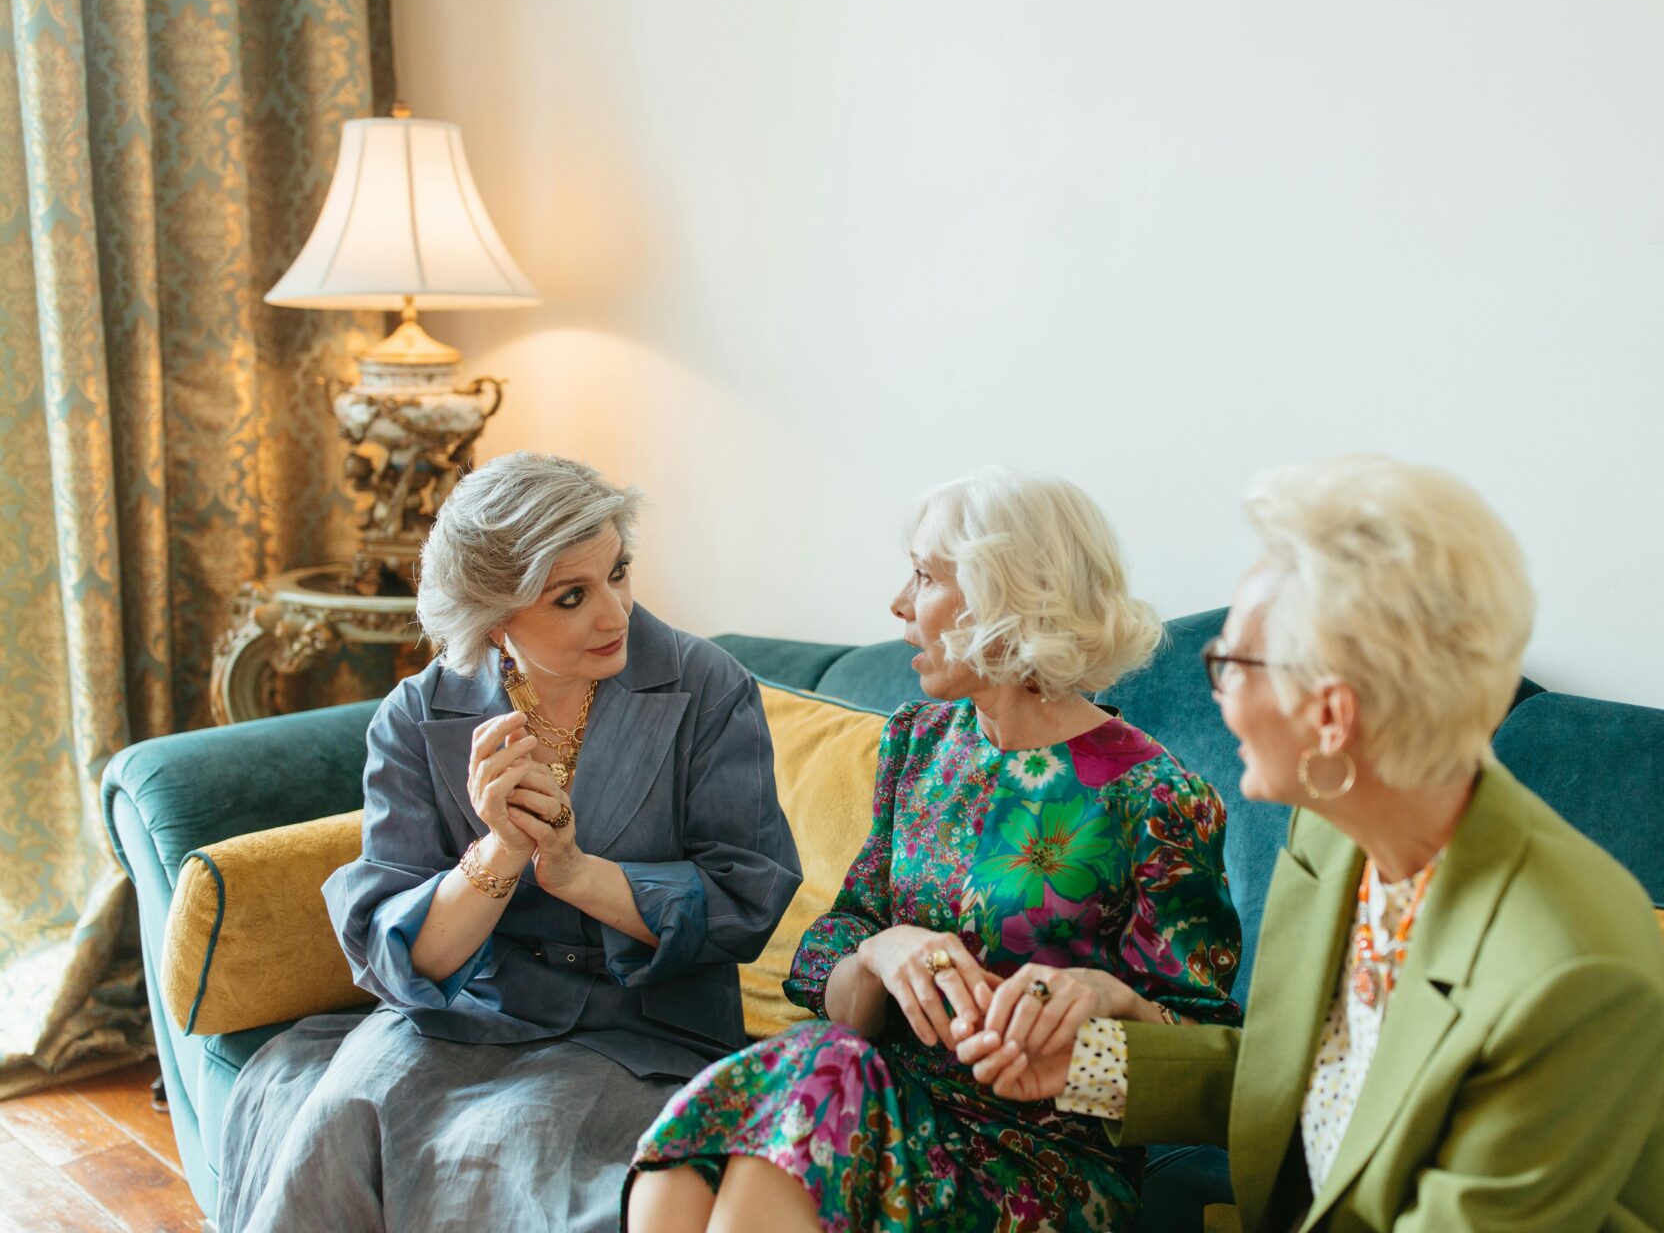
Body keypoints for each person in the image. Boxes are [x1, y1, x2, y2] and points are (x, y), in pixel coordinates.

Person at [962, 454, 1664, 1231]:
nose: (1217, 693)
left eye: (1231, 664)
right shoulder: (1334, 831)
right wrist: (1094, 1065)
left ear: (1331, 719)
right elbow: (1303, 1076)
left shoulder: (1569, 979)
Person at [625, 467, 1243, 1233]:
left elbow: (1211, 1056)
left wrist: (1110, 997)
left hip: (1035, 1159)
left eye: (923, 575)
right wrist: (888, 948)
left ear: (1005, 597)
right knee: (750, 1108)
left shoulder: (1157, 798)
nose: (898, 603)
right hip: (869, 1098)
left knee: (812, 1077)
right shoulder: (919, 743)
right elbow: (828, 966)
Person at [218, 452, 802, 1232]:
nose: (616, 613)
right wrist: (499, 850)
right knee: (342, 1116)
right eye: (572, 596)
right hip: (463, 1015)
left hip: (639, 1032)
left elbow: (743, 901)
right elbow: (406, 957)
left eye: (618, 573)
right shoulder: (414, 714)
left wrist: (574, 871)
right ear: (495, 617)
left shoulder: (708, 687)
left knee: (508, 1154)